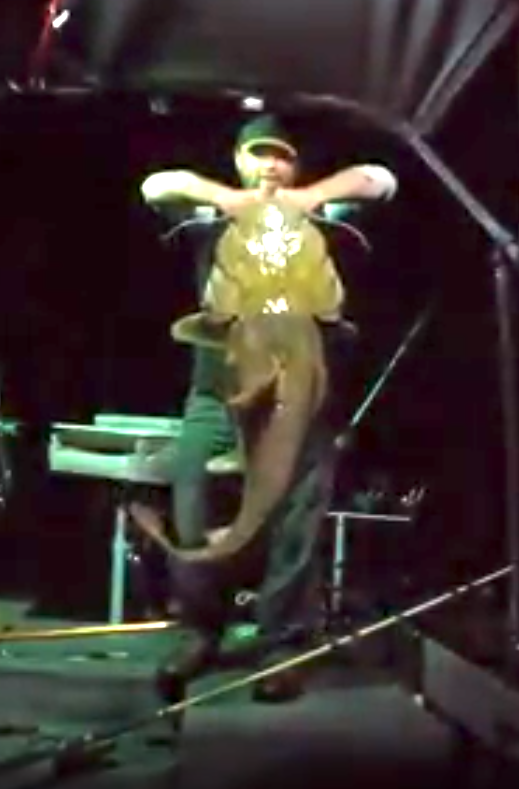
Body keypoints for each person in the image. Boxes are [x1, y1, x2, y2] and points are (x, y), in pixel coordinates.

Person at [137, 114, 398, 702]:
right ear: (239, 161)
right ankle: (201, 630)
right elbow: (156, 185)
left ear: (296, 166)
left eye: (282, 155)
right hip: (216, 385)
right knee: (194, 500)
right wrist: (229, 199)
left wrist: (312, 197)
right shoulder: (208, 214)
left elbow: (380, 180)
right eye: (259, 154)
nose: (271, 165)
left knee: (295, 515)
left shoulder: (322, 212)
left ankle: (284, 643)